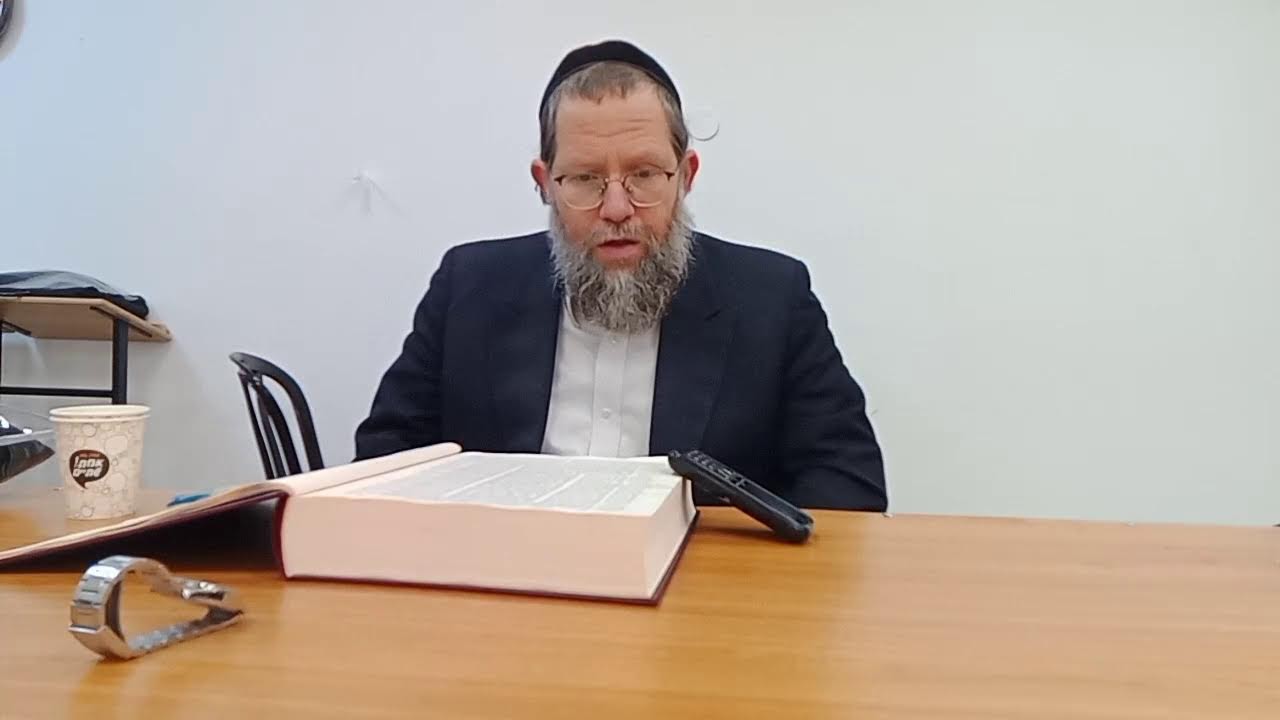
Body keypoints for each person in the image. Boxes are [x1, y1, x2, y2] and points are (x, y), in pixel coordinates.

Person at [354, 39, 887, 510]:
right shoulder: (468, 286)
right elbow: (386, 460)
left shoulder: (772, 298)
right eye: (585, 179)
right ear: (545, 183)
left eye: (644, 174)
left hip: (696, 583)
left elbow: (847, 485)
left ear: (686, 176)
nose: (615, 208)